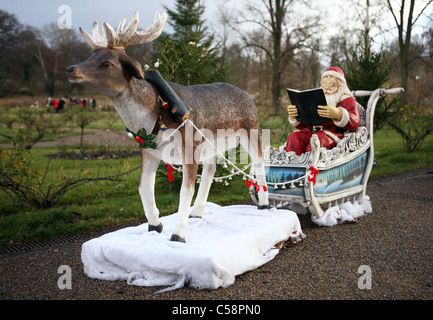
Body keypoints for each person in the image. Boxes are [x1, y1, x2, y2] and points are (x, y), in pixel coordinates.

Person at [285, 67, 360, 156]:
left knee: (318, 140)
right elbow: (304, 125)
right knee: (294, 137)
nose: (326, 88)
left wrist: (338, 114)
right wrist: (296, 115)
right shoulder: (316, 100)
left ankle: (312, 166)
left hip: (332, 135)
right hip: (310, 132)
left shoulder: (347, 100)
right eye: (324, 85)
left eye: (332, 85)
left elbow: (355, 121)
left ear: (340, 86)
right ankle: (292, 165)